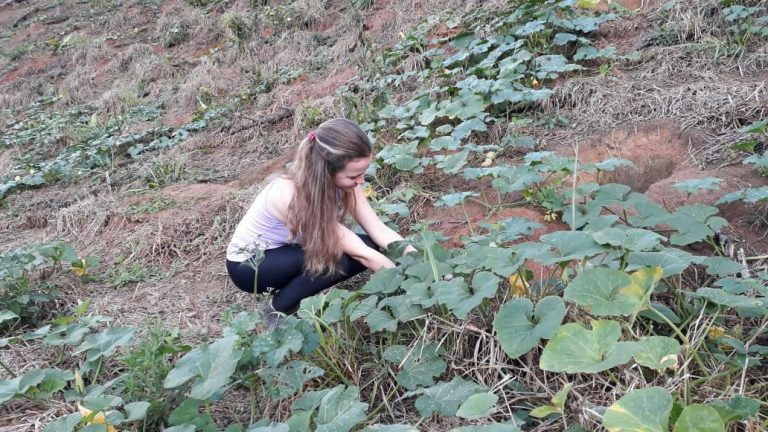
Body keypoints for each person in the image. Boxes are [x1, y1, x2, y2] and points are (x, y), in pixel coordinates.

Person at [225, 118, 413, 329]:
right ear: (327, 171)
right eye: (354, 175)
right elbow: (361, 254)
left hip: (286, 249)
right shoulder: (290, 196)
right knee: (351, 254)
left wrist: (423, 262)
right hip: (251, 265)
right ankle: (277, 308)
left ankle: (287, 296)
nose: (361, 181)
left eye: (363, 172)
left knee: (368, 244)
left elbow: (378, 229)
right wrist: (409, 286)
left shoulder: (347, 182)